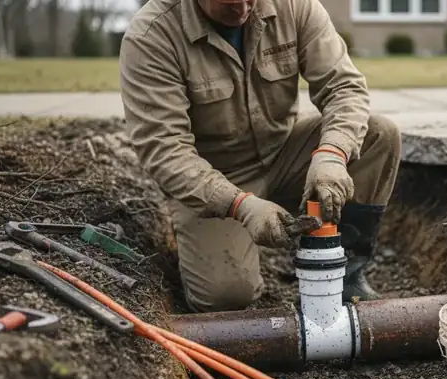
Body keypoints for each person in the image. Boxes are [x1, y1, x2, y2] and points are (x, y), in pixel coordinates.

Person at [119, 0, 402, 313]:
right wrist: (240, 205)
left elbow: (344, 87)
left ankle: (344, 277)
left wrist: (332, 154)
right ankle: (197, 243)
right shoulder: (152, 36)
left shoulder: (294, 7)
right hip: (217, 178)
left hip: (284, 154)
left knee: (379, 133)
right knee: (226, 298)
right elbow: (164, 148)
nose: (242, 8)